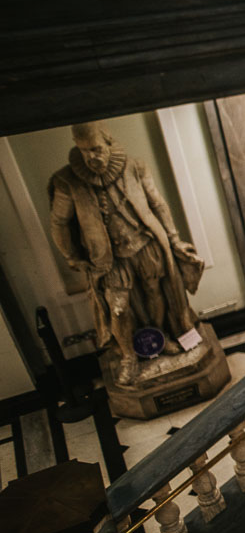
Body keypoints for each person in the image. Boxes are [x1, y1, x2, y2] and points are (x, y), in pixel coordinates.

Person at [48, 121, 205, 386]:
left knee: (155, 292)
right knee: (118, 309)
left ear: (107, 143)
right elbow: (60, 223)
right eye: (85, 151)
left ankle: (161, 337)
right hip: (108, 259)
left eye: (96, 149)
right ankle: (129, 356)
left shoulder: (135, 166)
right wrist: (72, 256)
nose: (91, 157)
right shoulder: (67, 182)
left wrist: (174, 239)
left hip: (146, 245)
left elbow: (157, 203)